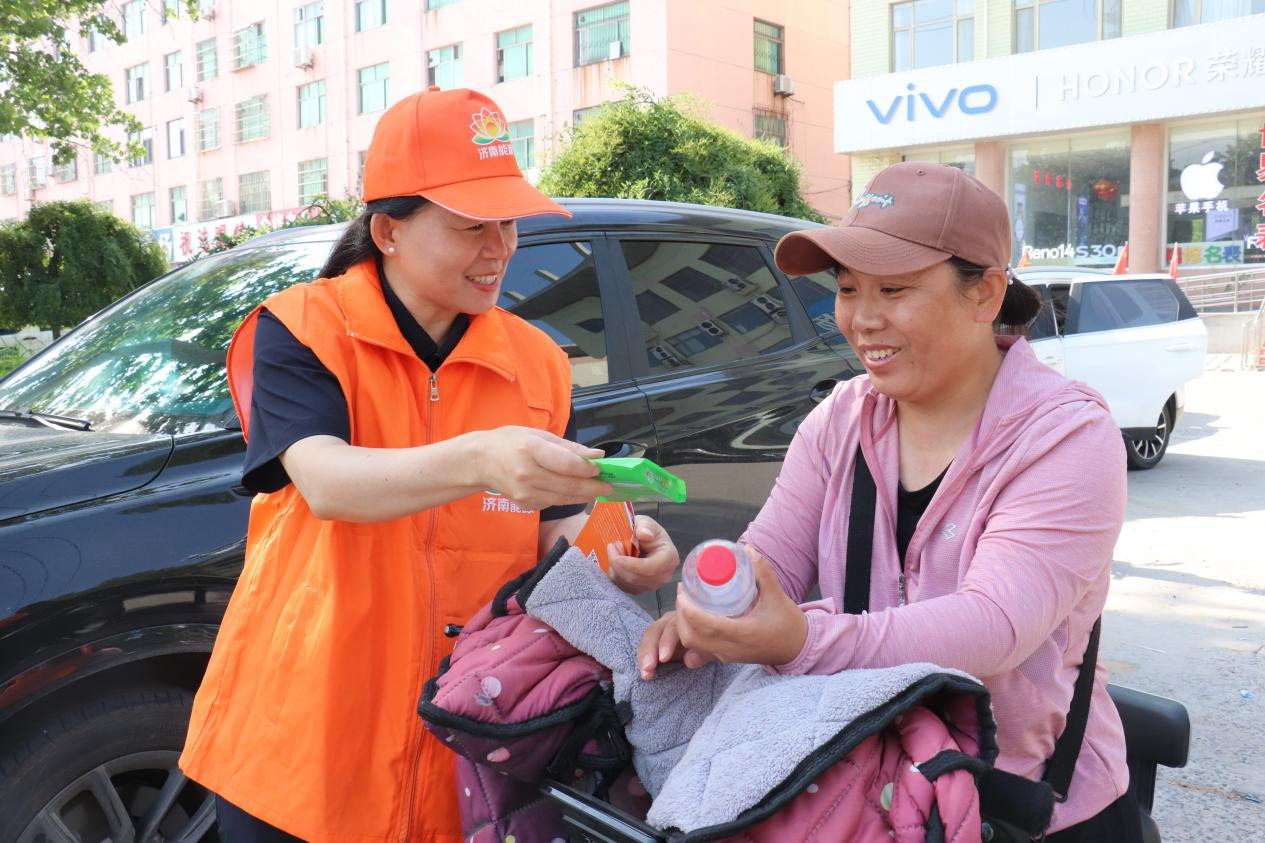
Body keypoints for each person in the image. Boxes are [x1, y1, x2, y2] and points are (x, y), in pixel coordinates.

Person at [179, 87, 678, 843]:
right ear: (388, 231)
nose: (500, 248)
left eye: (508, 222)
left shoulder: (538, 362)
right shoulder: (303, 329)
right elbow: (327, 481)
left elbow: (551, 529)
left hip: (468, 742)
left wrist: (621, 550)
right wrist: (480, 459)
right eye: (472, 226)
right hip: (300, 748)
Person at [638, 162, 1141, 841]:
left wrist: (800, 640)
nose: (862, 319)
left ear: (985, 293)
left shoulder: (1065, 435)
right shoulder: (841, 420)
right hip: (874, 793)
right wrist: (706, 613)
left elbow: (993, 625)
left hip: (1024, 803)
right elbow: (767, 560)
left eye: (894, 289)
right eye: (847, 288)